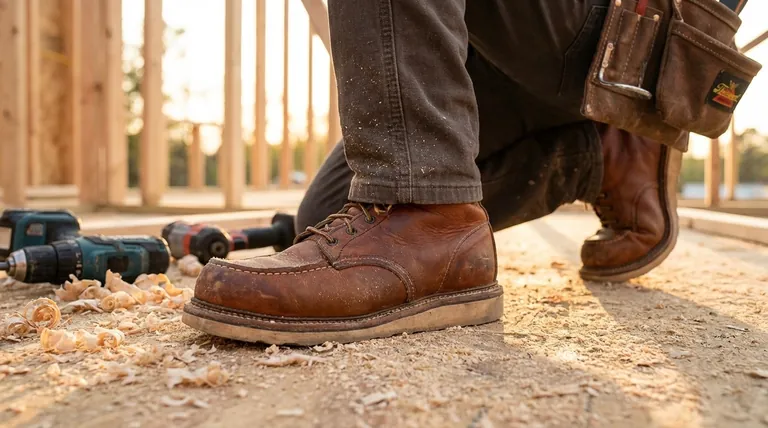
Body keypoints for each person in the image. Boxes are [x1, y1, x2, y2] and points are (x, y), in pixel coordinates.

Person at [181, 0, 683, 345]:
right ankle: (601, 154)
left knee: (394, 197)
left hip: (632, 24)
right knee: (331, 211)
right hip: (501, 44)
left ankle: (425, 209)